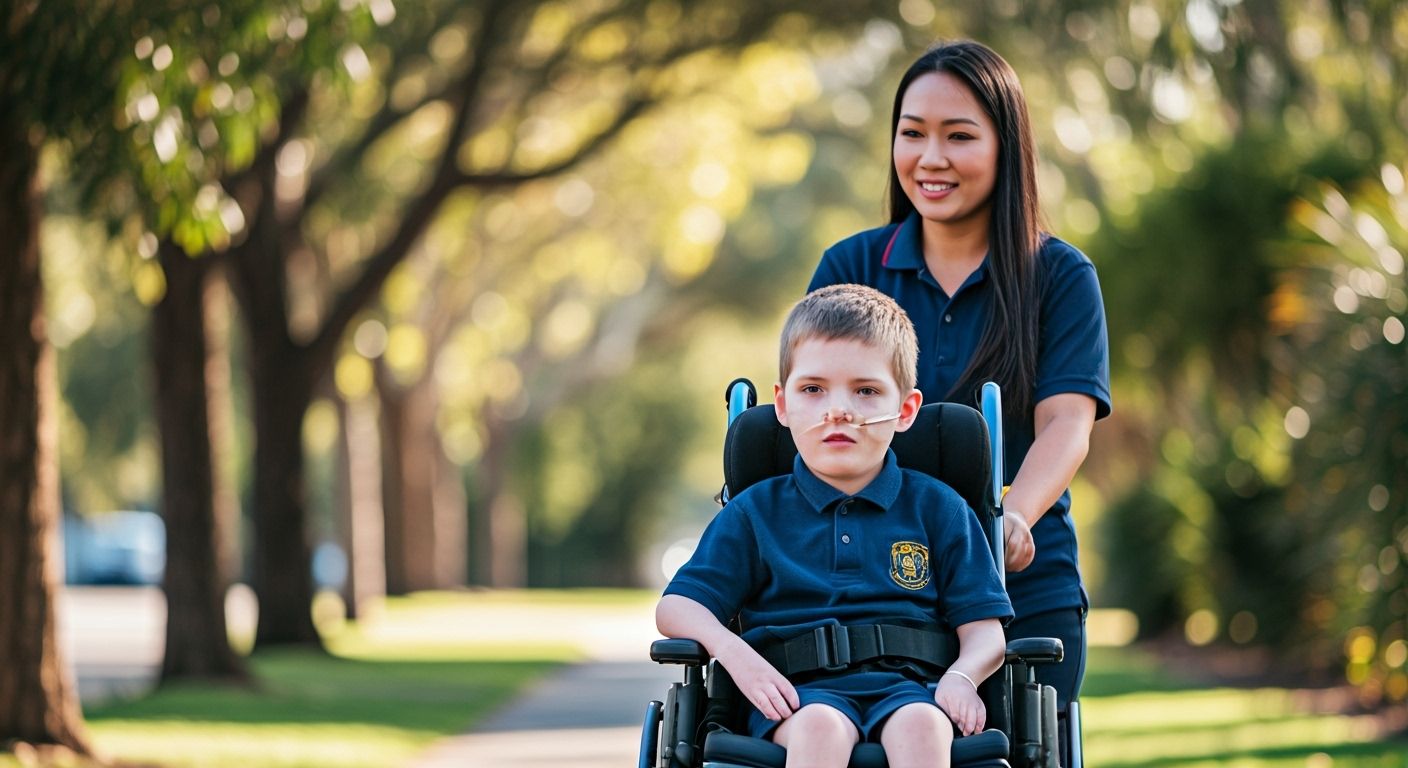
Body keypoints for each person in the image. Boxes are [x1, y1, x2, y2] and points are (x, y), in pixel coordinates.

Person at [808, 40, 1112, 710]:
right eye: (912, 134)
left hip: (1018, 593)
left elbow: (1066, 421)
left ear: (1006, 147)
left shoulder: (1059, 277)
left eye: (959, 136)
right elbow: (812, 408)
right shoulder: (850, 269)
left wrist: (1015, 519)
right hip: (867, 591)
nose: (931, 158)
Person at [657, 284, 1013, 768]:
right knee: (822, 726)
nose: (838, 410)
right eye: (813, 389)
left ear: (905, 410)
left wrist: (964, 677)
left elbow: (985, 631)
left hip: (915, 690)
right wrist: (735, 654)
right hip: (796, 697)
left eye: (865, 391)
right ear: (783, 407)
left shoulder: (941, 509)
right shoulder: (755, 513)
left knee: (922, 724)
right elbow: (677, 607)